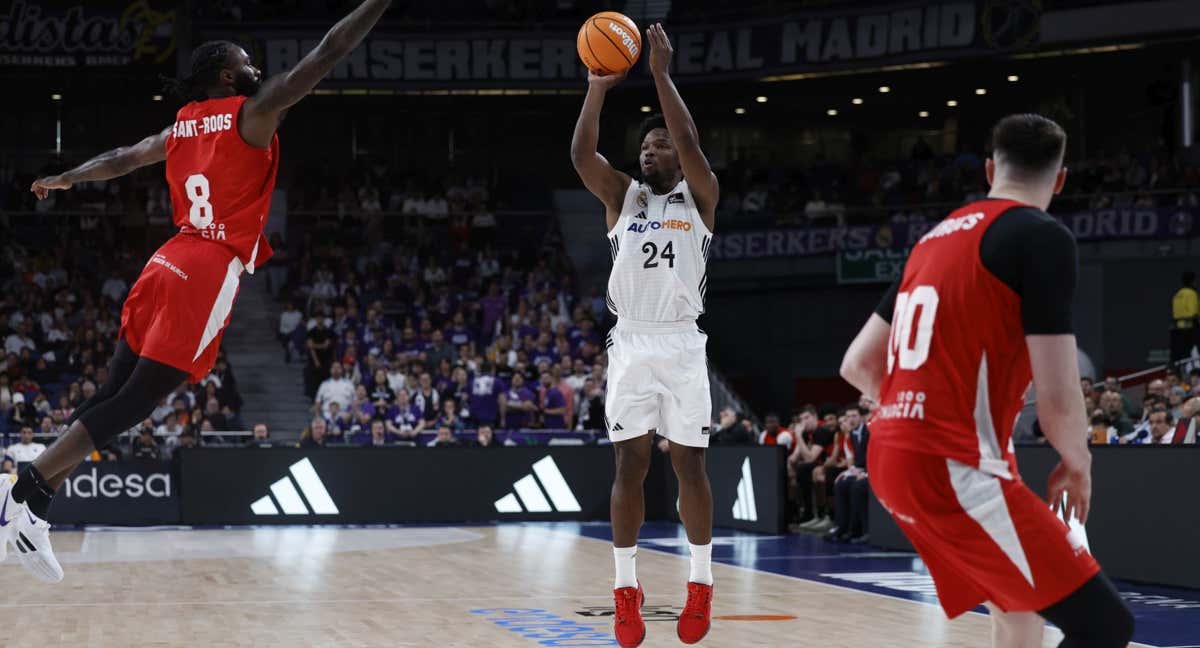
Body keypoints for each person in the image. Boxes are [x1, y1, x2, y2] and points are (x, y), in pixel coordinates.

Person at [18, 1, 394, 583]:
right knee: (139, 400)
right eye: (247, 62)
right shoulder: (253, 111)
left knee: (113, 391)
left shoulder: (181, 126)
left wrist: (67, 178)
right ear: (227, 75)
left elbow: (121, 159)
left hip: (165, 259)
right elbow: (329, 52)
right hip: (208, 264)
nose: (256, 68)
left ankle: (33, 506)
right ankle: (29, 484)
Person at [840, 114, 1133, 647]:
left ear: (990, 169)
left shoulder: (932, 240)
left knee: (1020, 614)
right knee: (1106, 624)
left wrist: (915, 413)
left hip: (889, 456)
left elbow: (858, 364)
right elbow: (1059, 397)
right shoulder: (1041, 237)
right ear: (1061, 179)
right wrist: (1078, 463)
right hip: (951, 463)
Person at [571, 23, 719, 647]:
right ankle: (625, 591)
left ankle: (701, 584)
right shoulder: (622, 200)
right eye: (647, 147)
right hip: (631, 341)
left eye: (660, 146)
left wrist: (660, 74)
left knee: (690, 466)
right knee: (628, 466)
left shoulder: (701, 199)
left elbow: (686, 136)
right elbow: (582, 157)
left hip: (682, 343)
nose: (652, 151)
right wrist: (596, 89)